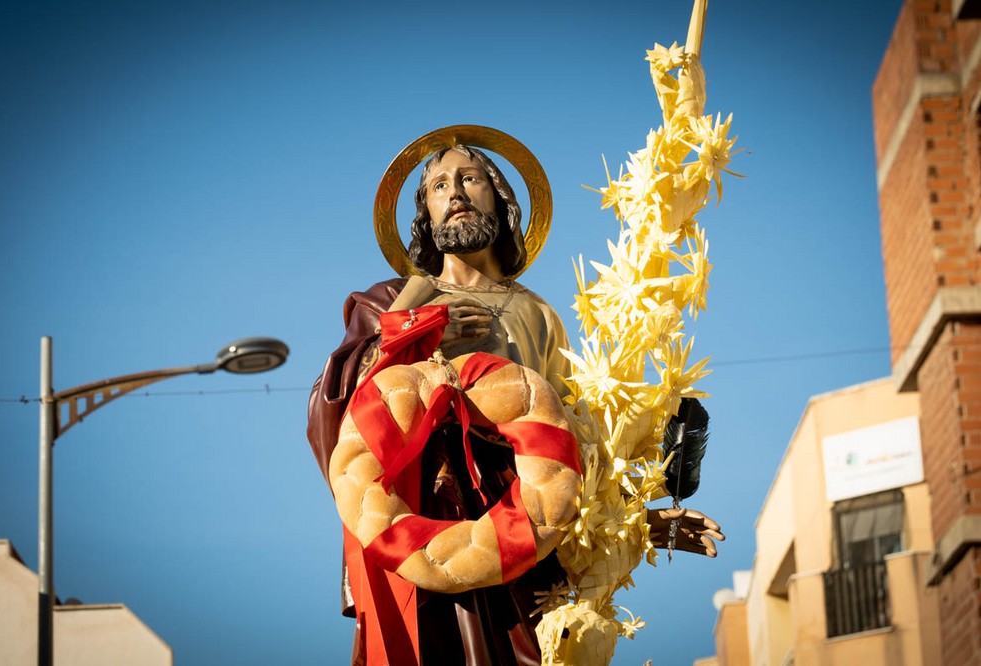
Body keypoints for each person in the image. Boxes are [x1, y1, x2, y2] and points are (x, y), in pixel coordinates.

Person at [308, 144, 722, 665]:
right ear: (425, 213)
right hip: (424, 514)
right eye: (439, 186)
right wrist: (416, 330)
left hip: (522, 527)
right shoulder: (395, 299)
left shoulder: (537, 314)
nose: (455, 192)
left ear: (500, 200)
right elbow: (337, 402)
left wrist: (639, 522)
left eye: (471, 179)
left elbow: (577, 442)